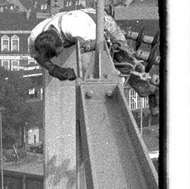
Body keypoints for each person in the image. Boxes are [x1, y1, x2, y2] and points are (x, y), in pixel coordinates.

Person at [28, 8, 159, 113]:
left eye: (58, 52)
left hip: (100, 23)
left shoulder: (74, 28)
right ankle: (148, 91)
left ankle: (151, 91)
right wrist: (53, 69)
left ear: (62, 41)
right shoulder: (35, 37)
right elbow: (38, 56)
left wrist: (87, 47)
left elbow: (101, 43)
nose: (57, 57)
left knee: (123, 61)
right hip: (83, 22)